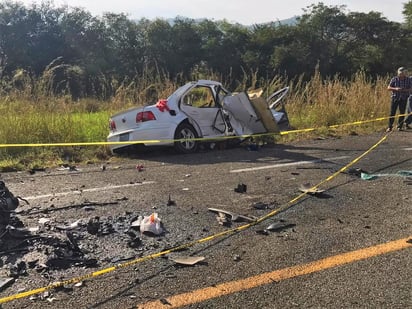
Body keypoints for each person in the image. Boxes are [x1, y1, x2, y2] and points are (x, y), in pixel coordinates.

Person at [386, 67, 412, 132]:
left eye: (402, 73)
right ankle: (390, 127)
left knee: (402, 112)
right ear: (398, 73)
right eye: (400, 73)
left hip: (403, 98)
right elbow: (388, 87)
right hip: (395, 97)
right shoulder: (394, 79)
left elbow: (411, 89)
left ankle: (399, 126)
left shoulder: (408, 80)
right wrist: (396, 89)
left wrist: (404, 90)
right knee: (392, 113)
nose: (401, 74)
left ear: (404, 73)